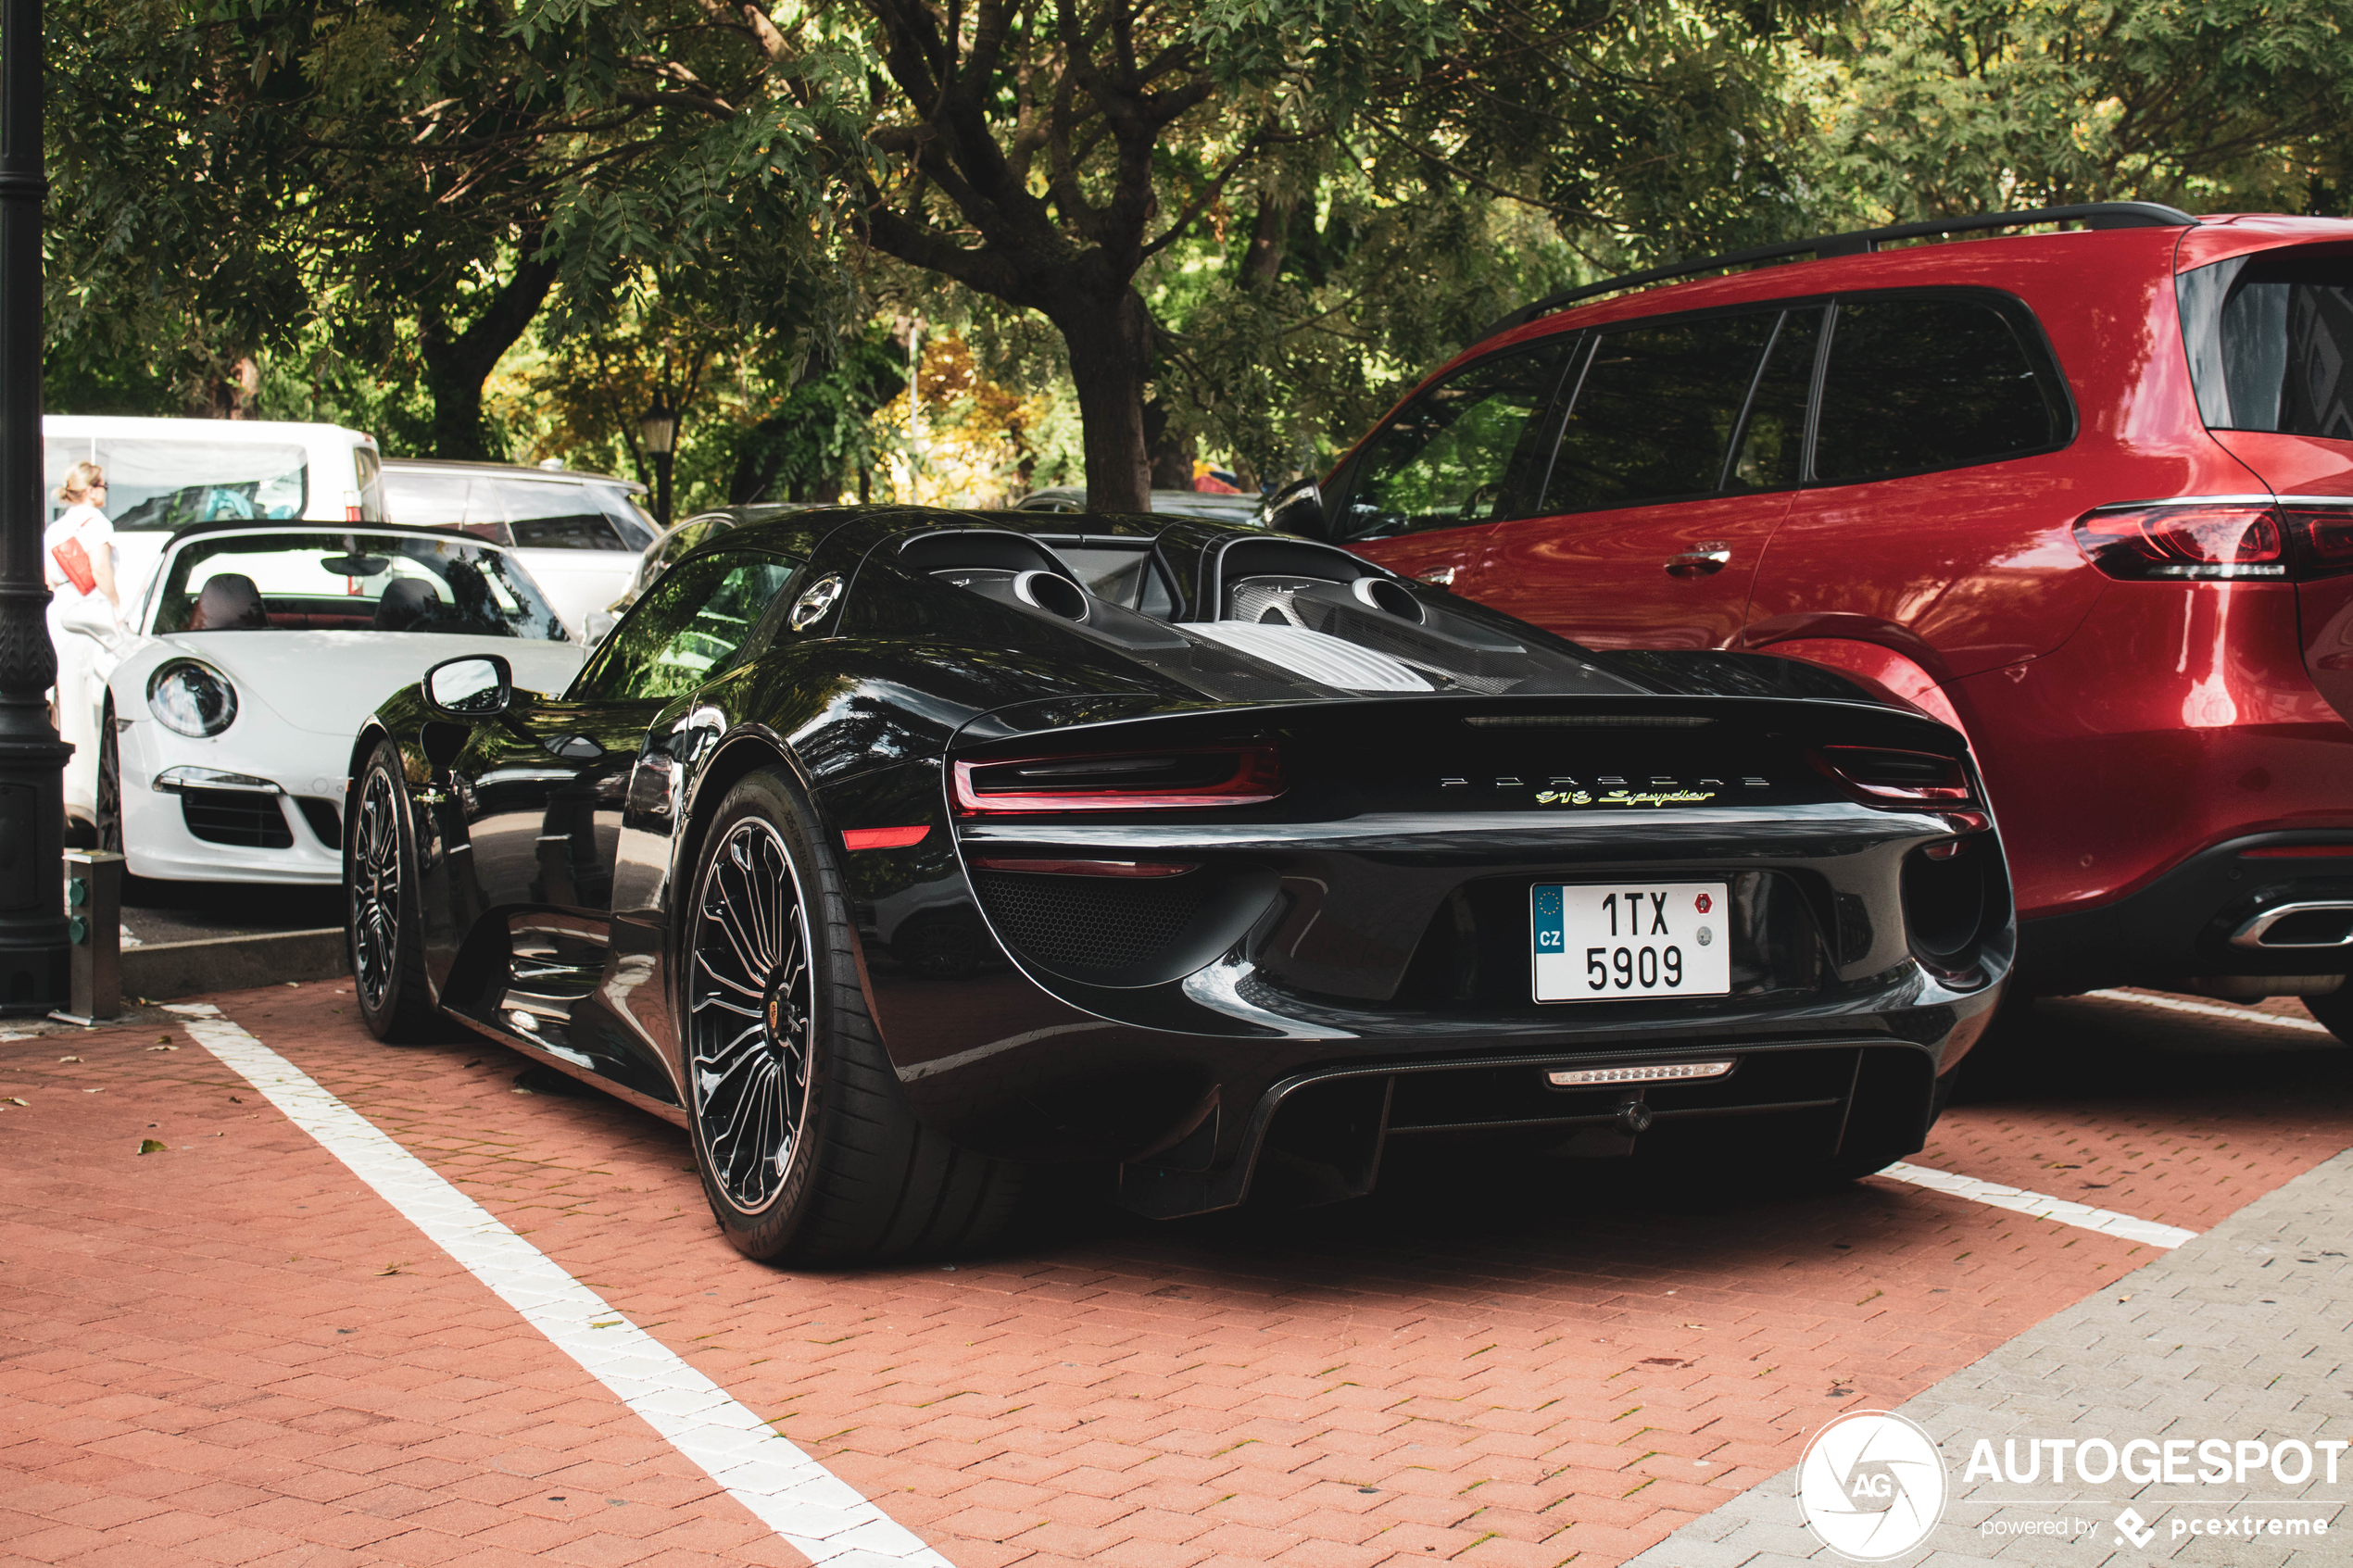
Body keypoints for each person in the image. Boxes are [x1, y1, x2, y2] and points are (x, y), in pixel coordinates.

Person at [44, 461, 121, 835]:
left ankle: (67, 792)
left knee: (64, 702)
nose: (106, 491)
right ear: (91, 490)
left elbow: (46, 577)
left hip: (58, 615)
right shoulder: (96, 523)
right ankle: (92, 793)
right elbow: (101, 569)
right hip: (89, 617)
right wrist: (118, 609)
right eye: (103, 485)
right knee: (93, 703)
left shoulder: (56, 528)